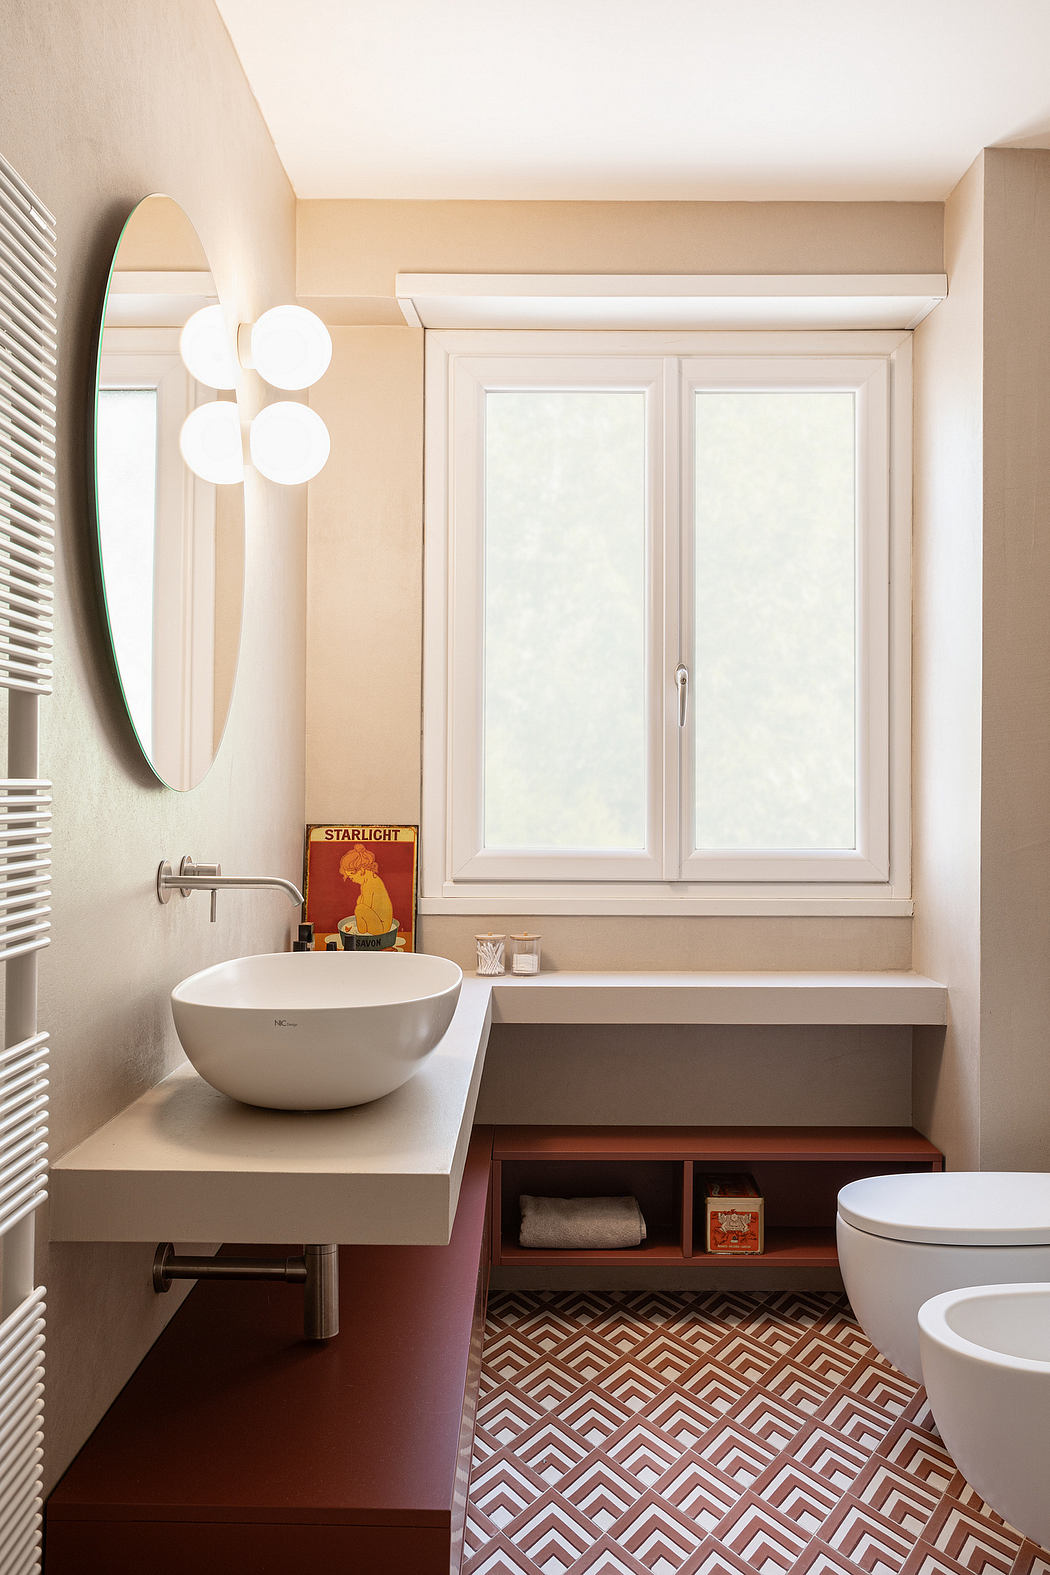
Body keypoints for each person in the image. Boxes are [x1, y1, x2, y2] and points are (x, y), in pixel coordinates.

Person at [338, 843, 394, 936]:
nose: (352, 880)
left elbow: (365, 908)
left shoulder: (370, 885)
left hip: (380, 928)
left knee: (360, 908)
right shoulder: (371, 880)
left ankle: (361, 933)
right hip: (380, 923)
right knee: (360, 903)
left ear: (361, 870)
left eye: (352, 876)